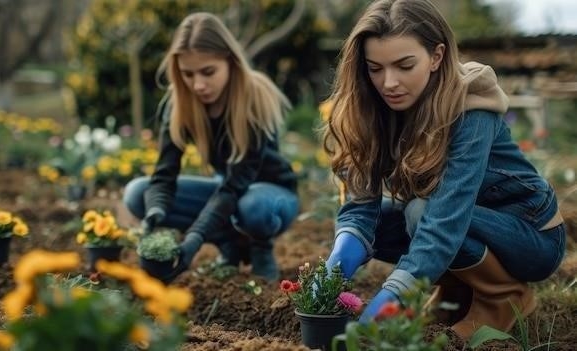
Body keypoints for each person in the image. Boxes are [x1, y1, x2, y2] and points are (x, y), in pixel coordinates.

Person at [321, 0, 566, 340]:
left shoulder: (470, 108)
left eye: (404, 65)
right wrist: (340, 257)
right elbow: (362, 207)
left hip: (530, 238)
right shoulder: (374, 109)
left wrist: (395, 298)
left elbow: (445, 218)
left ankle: (503, 297)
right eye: (375, 68)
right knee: (389, 219)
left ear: (436, 56)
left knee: (421, 212)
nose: (388, 82)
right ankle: (455, 292)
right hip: (458, 224)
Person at [123, 12, 299, 282]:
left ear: (230, 60)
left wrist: (194, 238)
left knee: (253, 207)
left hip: (271, 195)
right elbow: (164, 175)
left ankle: (260, 247)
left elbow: (236, 184)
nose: (198, 85)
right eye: (188, 74)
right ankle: (229, 242)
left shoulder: (255, 96)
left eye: (208, 72)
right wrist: (155, 213)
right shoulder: (180, 102)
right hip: (226, 190)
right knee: (138, 194)